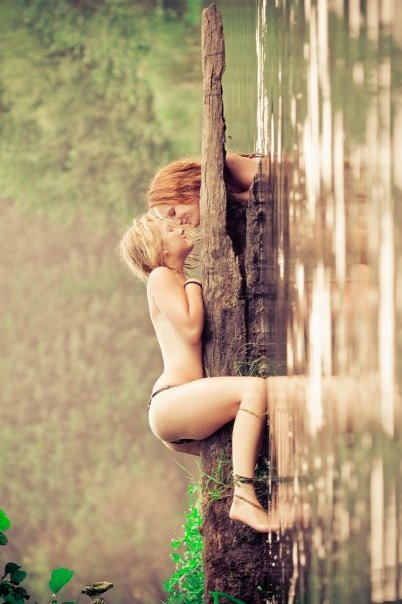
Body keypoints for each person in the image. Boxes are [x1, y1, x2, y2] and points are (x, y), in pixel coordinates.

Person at [119, 211, 278, 533]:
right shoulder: (161, 276)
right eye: (169, 228)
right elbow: (191, 329)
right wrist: (195, 282)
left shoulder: (172, 279)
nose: (180, 228)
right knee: (254, 389)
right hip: (172, 400)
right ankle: (243, 498)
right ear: (158, 248)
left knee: (262, 434)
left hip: (184, 406)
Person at [147, 154, 264, 227]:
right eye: (171, 221)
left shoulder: (228, 165)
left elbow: (269, 189)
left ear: (183, 188)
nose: (178, 223)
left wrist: (230, 198)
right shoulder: (217, 217)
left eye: (173, 213)